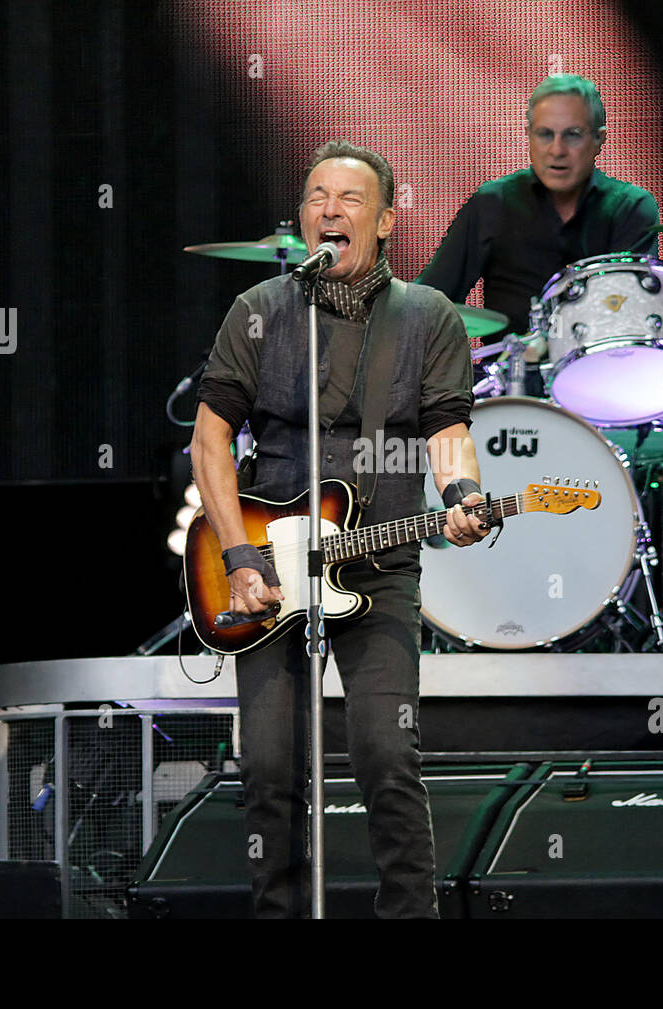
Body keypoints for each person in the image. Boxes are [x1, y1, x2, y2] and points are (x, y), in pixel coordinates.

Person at [190, 141, 489, 918]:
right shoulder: (260, 310)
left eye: (351, 199)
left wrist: (462, 494)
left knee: (388, 757)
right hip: (266, 573)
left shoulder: (426, 317)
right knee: (268, 770)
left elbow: (447, 430)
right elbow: (209, 439)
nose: (329, 209)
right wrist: (241, 554)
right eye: (317, 195)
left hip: (379, 562)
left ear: (386, 219)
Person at [416, 74, 660, 376]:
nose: (557, 150)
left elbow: (626, 313)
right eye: (545, 134)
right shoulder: (493, 202)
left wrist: (551, 342)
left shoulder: (632, 207)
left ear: (599, 139)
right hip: (509, 389)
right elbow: (429, 301)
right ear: (529, 135)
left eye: (572, 135)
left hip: (602, 383)